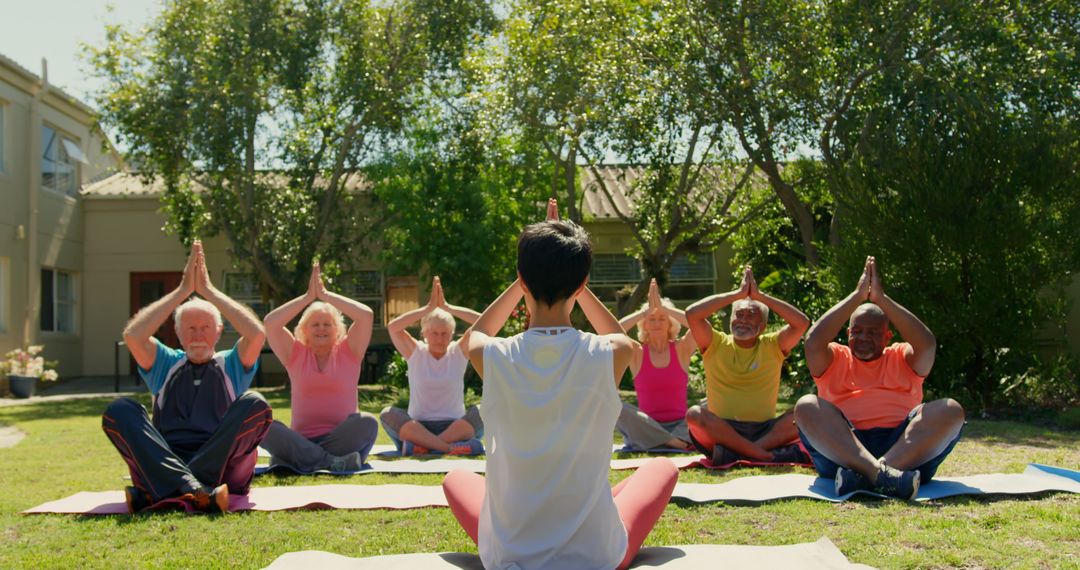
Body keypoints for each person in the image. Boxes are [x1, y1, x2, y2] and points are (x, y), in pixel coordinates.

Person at [441, 200, 678, 570]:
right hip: (597, 557)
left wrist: (531, 271)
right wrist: (570, 274)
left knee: (456, 476)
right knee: (661, 470)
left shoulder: (493, 356)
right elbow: (622, 339)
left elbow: (476, 333)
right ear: (582, 284)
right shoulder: (610, 353)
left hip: (508, 557)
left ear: (521, 280)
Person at [102, 240, 271, 513]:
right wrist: (182, 291)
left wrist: (209, 291)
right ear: (178, 334)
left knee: (256, 404)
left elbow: (256, 334)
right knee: (120, 409)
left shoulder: (230, 363)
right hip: (167, 459)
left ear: (218, 332)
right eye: (189, 328)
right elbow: (133, 335)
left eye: (205, 327)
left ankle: (167, 490)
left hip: (222, 466)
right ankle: (195, 490)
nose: (198, 334)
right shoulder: (165, 363)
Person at [794, 256, 965, 499]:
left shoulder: (901, 356)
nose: (863, 338)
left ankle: (868, 475)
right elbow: (812, 341)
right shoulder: (834, 358)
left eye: (873, 333)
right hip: (844, 450)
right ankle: (883, 476)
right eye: (857, 331)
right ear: (847, 333)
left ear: (887, 336)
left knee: (951, 409)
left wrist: (881, 299)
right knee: (806, 406)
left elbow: (926, 344)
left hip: (905, 449)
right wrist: (856, 295)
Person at [684, 265, 811, 465]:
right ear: (731, 320)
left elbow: (802, 323)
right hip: (722, 431)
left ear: (763, 326)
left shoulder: (772, 345)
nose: (743, 320)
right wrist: (737, 294)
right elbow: (692, 314)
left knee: (806, 412)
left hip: (765, 431)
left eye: (751, 315)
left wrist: (760, 297)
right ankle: (764, 455)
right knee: (694, 415)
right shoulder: (715, 342)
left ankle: (737, 453)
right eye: (739, 315)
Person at [259, 262, 379, 472]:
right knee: (261, 425)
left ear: (337, 329)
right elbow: (271, 323)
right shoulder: (295, 354)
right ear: (305, 330)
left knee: (367, 422)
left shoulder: (350, 351)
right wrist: (307, 297)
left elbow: (366, 315)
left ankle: (299, 458)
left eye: (327, 324)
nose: (321, 329)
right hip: (301, 438)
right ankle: (329, 461)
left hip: (341, 440)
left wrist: (325, 295)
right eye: (315, 324)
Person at [380, 276, 484, 456]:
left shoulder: (457, 352)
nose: (439, 338)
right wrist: (428, 309)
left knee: (485, 410)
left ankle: (423, 447)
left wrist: (448, 308)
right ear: (424, 333)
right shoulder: (416, 352)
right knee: (387, 413)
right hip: (419, 427)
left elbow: (484, 322)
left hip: (455, 426)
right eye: (434, 333)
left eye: (445, 333)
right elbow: (393, 327)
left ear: (452, 334)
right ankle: (448, 448)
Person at [615, 278, 697, 451]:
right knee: (617, 406)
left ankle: (664, 440)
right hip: (647, 424)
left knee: (708, 405)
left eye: (662, 318)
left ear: (670, 323)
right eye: (651, 319)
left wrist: (666, 308)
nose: (657, 323)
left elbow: (699, 326)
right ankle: (672, 441)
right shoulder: (636, 352)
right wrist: (644, 312)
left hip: (680, 426)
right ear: (644, 324)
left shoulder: (681, 348)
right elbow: (611, 331)